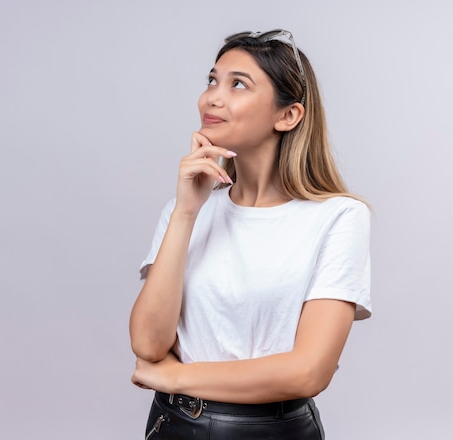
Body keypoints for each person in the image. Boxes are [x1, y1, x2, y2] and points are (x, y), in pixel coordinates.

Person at [129, 29, 371, 440]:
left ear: (288, 115)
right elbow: (149, 346)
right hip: (172, 426)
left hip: (272, 431)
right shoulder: (185, 209)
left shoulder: (339, 217)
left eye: (237, 84)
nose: (211, 98)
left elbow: (309, 371)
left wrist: (175, 378)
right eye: (212, 80)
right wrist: (187, 211)